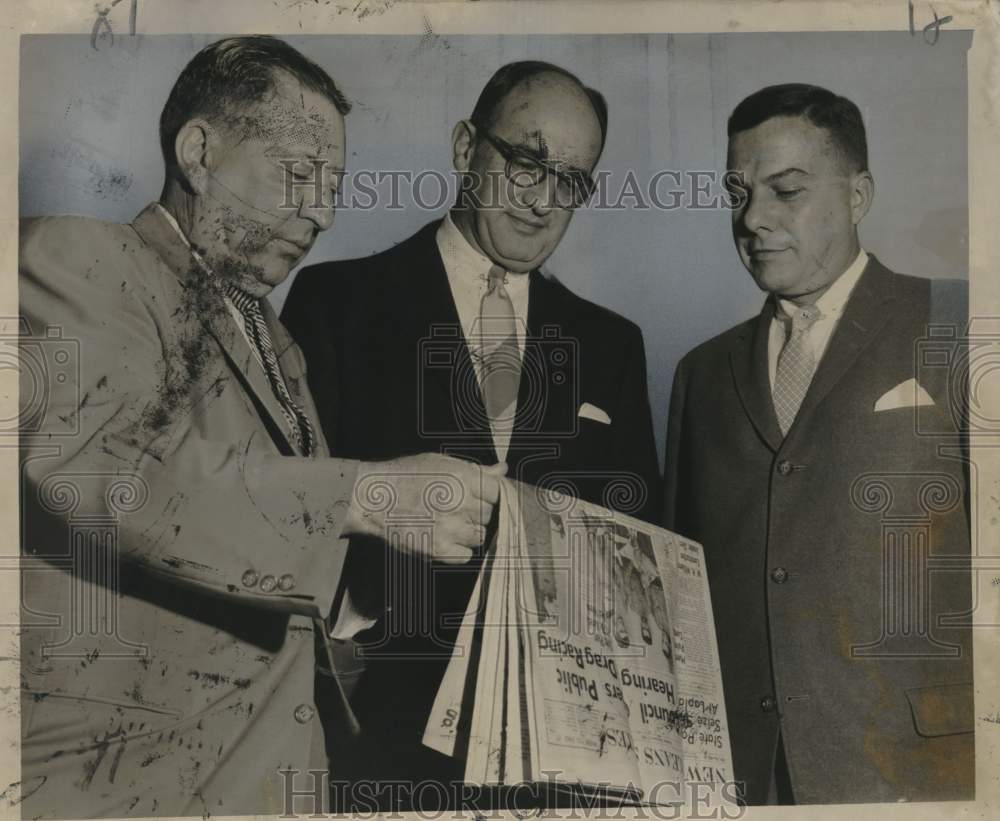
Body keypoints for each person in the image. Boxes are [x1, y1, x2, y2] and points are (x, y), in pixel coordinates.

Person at [18, 36, 502, 818]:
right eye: (300, 175)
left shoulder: (275, 341)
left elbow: (266, 555)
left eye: (335, 185)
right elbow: (111, 472)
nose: (323, 212)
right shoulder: (80, 257)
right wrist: (371, 496)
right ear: (198, 152)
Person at [281, 60, 660, 801]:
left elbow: (635, 562)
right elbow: (284, 512)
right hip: (374, 742)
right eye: (526, 160)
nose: (544, 199)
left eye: (572, 180)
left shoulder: (612, 345)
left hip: (558, 764)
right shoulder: (337, 302)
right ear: (465, 148)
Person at [663, 83, 973, 804]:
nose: (753, 219)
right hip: (740, 780)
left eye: (786, 191)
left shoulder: (959, 322)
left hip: (922, 775)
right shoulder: (700, 374)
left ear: (858, 193)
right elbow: (679, 595)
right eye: (737, 192)